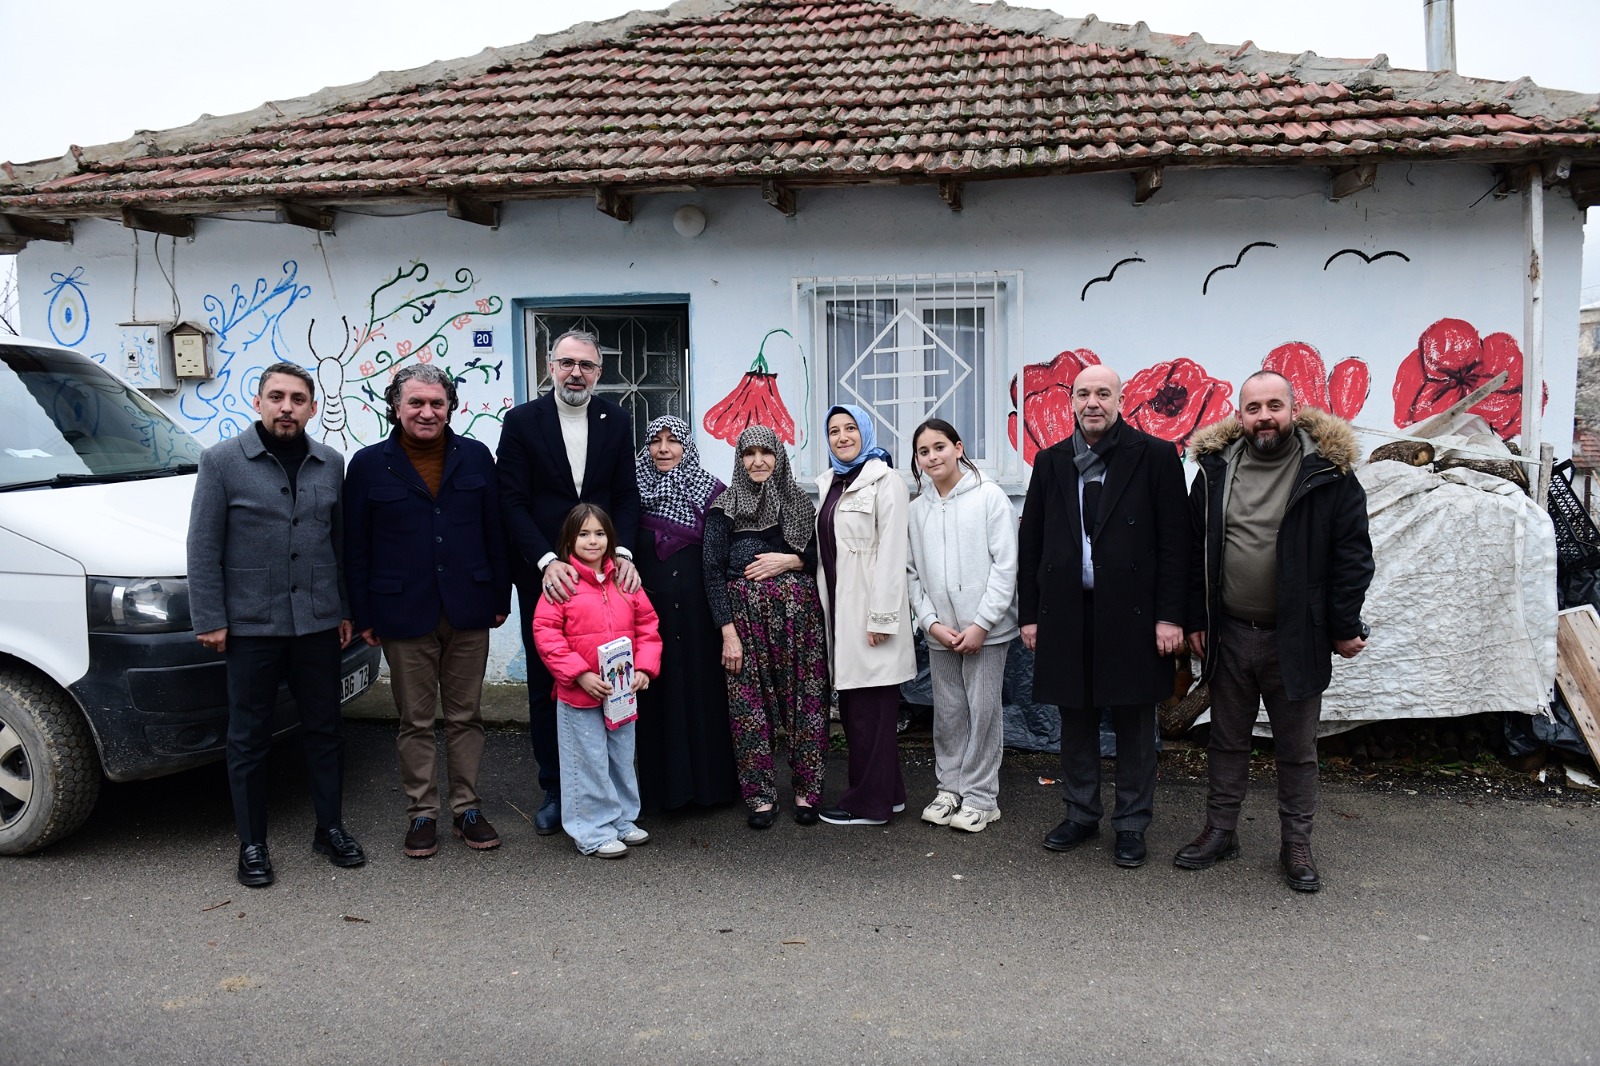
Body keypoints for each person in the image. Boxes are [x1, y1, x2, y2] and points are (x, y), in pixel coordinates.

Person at [1177, 370, 1373, 892]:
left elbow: (1352, 555)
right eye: (1253, 407)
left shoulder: (1327, 471)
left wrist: (1343, 624)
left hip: (1298, 635)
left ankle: (1297, 843)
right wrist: (1196, 618)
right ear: (1239, 415)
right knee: (1226, 740)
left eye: (1274, 406)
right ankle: (1220, 831)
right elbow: (1191, 550)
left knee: (1296, 747)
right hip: (1230, 633)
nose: (1264, 417)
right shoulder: (1216, 470)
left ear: (1293, 408)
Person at [187, 361, 365, 887]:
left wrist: (345, 610)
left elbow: (339, 546)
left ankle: (329, 829)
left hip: (315, 622)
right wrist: (211, 617)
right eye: (276, 397)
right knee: (248, 737)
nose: (286, 407)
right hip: (250, 625)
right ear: (259, 402)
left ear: (312, 407)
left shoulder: (330, 463)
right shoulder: (222, 462)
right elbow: (202, 546)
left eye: (297, 398)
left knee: (325, 731)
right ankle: (252, 844)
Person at [1017, 364, 1189, 869]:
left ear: (1121, 400)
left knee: (1136, 722)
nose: (1092, 402)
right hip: (1067, 611)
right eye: (1083, 393)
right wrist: (1031, 616)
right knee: (1075, 718)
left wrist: (1169, 617)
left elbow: (1175, 545)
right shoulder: (1050, 462)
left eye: (1103, 393)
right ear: (1071, 401)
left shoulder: (1155, 457)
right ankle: (1080, 813)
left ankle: (1132, 825)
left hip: (1135, 617)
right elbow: (1032, 545)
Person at [343, 362, 512, 859]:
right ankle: (422, 812)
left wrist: (499, 596)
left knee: (466, 715)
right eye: (416, 402)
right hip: (401, 609)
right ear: (396, 408)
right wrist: (364, 612)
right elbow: (356, 545)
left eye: (436, 403)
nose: (427, 411)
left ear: (451, 407)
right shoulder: (370, 464)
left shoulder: (477, 457)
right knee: (414, 719)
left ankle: (468, 809)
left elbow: (494, 530)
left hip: (469, 605)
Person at [497, 330, 641, 836]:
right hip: (547, 575)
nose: (575, 372)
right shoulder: (520, 422)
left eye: (586, 365)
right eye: (566, 363)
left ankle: (610, 792)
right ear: (550, 368)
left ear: (599, 373)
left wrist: (622, 554)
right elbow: (510, 501)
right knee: (550, 683)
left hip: (603, 574)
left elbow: (625, 492)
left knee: (609, 680)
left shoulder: (616, 420)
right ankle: (557, 789)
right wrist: (543, 560)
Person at [703, 424, 831, 829]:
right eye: (748, 453)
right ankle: (760, 797)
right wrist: (727, 632)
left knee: (807, 703)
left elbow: (819, 556)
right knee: (748, 710)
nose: (758, 461)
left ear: (779, 456)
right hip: (744, 625)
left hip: (800, 621)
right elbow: (711, 571)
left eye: (766, 452)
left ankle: (808, 793)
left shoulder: (799, 503)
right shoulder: (723, 508)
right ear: (739, 459)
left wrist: (790, 561)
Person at [906, 419, 1018, 834]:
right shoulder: (917, 510)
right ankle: (949, 788)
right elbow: (911, 573)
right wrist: (930, 623)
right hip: (941, 633)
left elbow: (1007, 567)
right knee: (949, 712)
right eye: (923, 452)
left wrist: (983, 623)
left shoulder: (990, 498)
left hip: (985, 632)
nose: (932, 457)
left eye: (939, 447)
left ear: (958, 447)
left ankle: (981, 798)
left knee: (983, 710)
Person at [532, 504, 662, 858]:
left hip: (621, 692)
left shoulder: (625, 581)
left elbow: (648, 627)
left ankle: (621, 820)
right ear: (569, 540)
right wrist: (579, 674)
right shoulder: (562, 584)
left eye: (600, 533)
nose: (593, 541)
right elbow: (547, 635)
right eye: (584, 534)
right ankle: (592, 830)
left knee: (620, 758)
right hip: (580, 694)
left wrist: (644, 669)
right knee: (585, 762)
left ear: (611, 538)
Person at [632, 415, 740, 811]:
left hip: (699, 618)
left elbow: (724, 558)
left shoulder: (712, 493)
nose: (663, 449)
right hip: (650, 619)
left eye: (672, 441)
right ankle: (665, 793)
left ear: (687, 447)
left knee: (702, 694)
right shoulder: (631, 491)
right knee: (657, 698)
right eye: (655, 441)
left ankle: (713, 790)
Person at [814, 405, 915, 826]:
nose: (842, 437)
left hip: (870, 614)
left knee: (870, 712)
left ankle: (866, 805)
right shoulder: (830, 482)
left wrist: (883, 618)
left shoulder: (885, 479)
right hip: (840, 608)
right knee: (861, 708)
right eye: (834, 430)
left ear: (866, 432)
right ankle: (888, 795)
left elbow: (893, 553)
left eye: (850, 428)